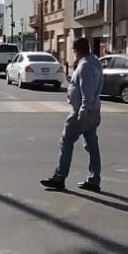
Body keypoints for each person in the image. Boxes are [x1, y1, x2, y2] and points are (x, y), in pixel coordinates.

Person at [41, 36, 102, 193]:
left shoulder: (85, 66)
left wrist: (82, 112)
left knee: (66, 142)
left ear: (77, 51)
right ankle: (94, 179)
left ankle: (59, 178)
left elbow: (87, 92)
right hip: (93, 110)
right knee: (91, 145)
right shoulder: (95, 62)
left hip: (82, 111)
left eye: (74, 51)